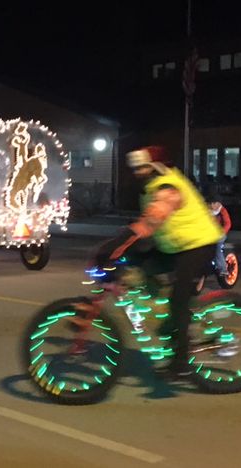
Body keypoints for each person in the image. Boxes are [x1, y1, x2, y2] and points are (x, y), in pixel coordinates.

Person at [94, 146, 223, 378]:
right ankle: (169, 323)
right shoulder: (150, 189)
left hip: (199, 245)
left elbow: (151, 222)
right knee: (137, 263)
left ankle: (182, 361)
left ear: (155, 168)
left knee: (179, 299)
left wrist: (114, 245)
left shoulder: (168, 187)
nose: (137, 173)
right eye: (135, 169)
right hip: (175, 247)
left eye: (143, 168)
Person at [206, 196, 232, 276]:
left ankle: (223, 269)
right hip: (208, 233)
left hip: (220, 234)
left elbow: (228, 223)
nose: (213, 205)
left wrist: (221, 232)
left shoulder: (222, 211)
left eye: (216, 203)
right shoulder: (205, 211)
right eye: (212, 203)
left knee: (217, 247)